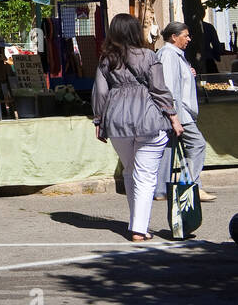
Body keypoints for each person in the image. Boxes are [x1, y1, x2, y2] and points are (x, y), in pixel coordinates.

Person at [92, 13, 184, 242]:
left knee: (131, 172)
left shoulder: (106, 60)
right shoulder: (148, 56)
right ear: (135, 31)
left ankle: (137, 224)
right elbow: (159, 89)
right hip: (148, 120)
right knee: (145, 175)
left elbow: (100, 92)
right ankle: (139, 229)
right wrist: (173, 117)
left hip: (116, 121)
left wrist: (98, 121)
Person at [154, 23, 216, 203]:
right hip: (179, 113)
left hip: (178, 112)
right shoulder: (168, 55)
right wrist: (174, 117)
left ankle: (160, 189)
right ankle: (191, 186)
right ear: (174, 37)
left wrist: (188, 73)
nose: (189, 39)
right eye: (186, 36)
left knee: (169, 148)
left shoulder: (175, 56)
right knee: (198, 144)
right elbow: (168, 87)